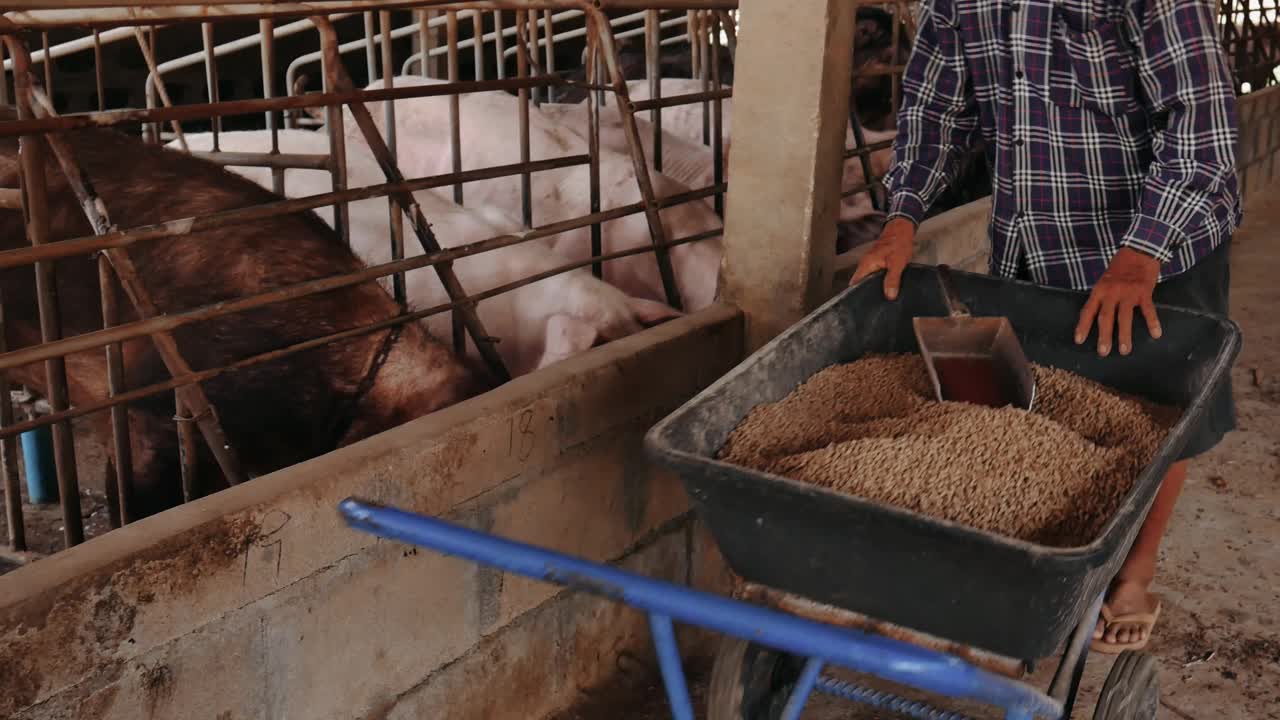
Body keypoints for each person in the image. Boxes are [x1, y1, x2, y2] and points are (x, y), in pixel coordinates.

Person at [851, 0, 1241, 653]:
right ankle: (1050, 541)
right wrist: (901, 219)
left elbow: (1202, 125)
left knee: (1165, 404)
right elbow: (935, 108)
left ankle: (1135, 575)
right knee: (1043, 401)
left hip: (1160, 232)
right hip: (1037, 229)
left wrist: (1141, 253)